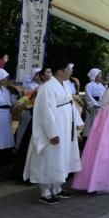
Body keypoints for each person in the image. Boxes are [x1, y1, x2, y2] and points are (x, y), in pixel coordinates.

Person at [23, 62, 83, 205]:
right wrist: (52, 134)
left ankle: (56, 187)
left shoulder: (64, 85)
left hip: (65, 127)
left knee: (62, 157)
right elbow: (45, 112)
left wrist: (77, 123)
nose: (71, 72)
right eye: (69, 69)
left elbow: (70, 104)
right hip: (55, 128)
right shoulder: (47, 88)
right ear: (60, 71)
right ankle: (45, 192)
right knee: (49, 157)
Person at [82, 68, 105, 139]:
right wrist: (95, 104)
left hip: (101, 107)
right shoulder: (89, 85)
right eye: (99, 74)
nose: (101, 76)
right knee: (92, 123)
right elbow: (88, 96)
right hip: (93, 108)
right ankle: (90, 138)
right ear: (94, 75)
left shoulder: (102, 85)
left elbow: (105, 95)